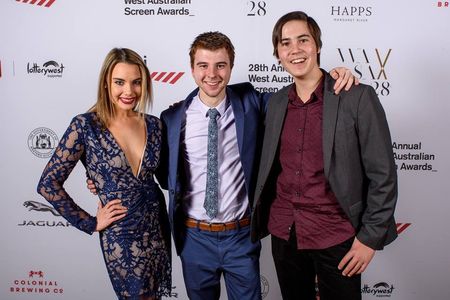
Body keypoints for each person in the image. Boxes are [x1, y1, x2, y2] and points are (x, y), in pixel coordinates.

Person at [155, 31, 357, 300]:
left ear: (231, 67)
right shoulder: (171, 118)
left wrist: (333, 75)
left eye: (221, 65)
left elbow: (300, 95)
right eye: (203, 65)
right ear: (192, 69)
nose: (212, 74)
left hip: (240, 235)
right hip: (195, 238)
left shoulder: (252, 102)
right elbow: (161, 173)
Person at [250, 11, 398, 300]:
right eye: (285, 43)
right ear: (278, 53)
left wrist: (369, 239)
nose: (294, 50)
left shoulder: (356, 96)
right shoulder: (276, 102)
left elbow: (383, 175)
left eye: (303, 40)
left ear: (317, 45)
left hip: (337, 234)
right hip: (285, 231)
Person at [37, 48, 171, 300]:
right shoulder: (86, 126)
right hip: (121, 232)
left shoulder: (154, 125)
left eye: (136, 82)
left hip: (156, 226)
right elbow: (48, 184)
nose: (129, 91)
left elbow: (163, 178)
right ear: (106, 84)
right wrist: (89, 222)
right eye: (119, 82)